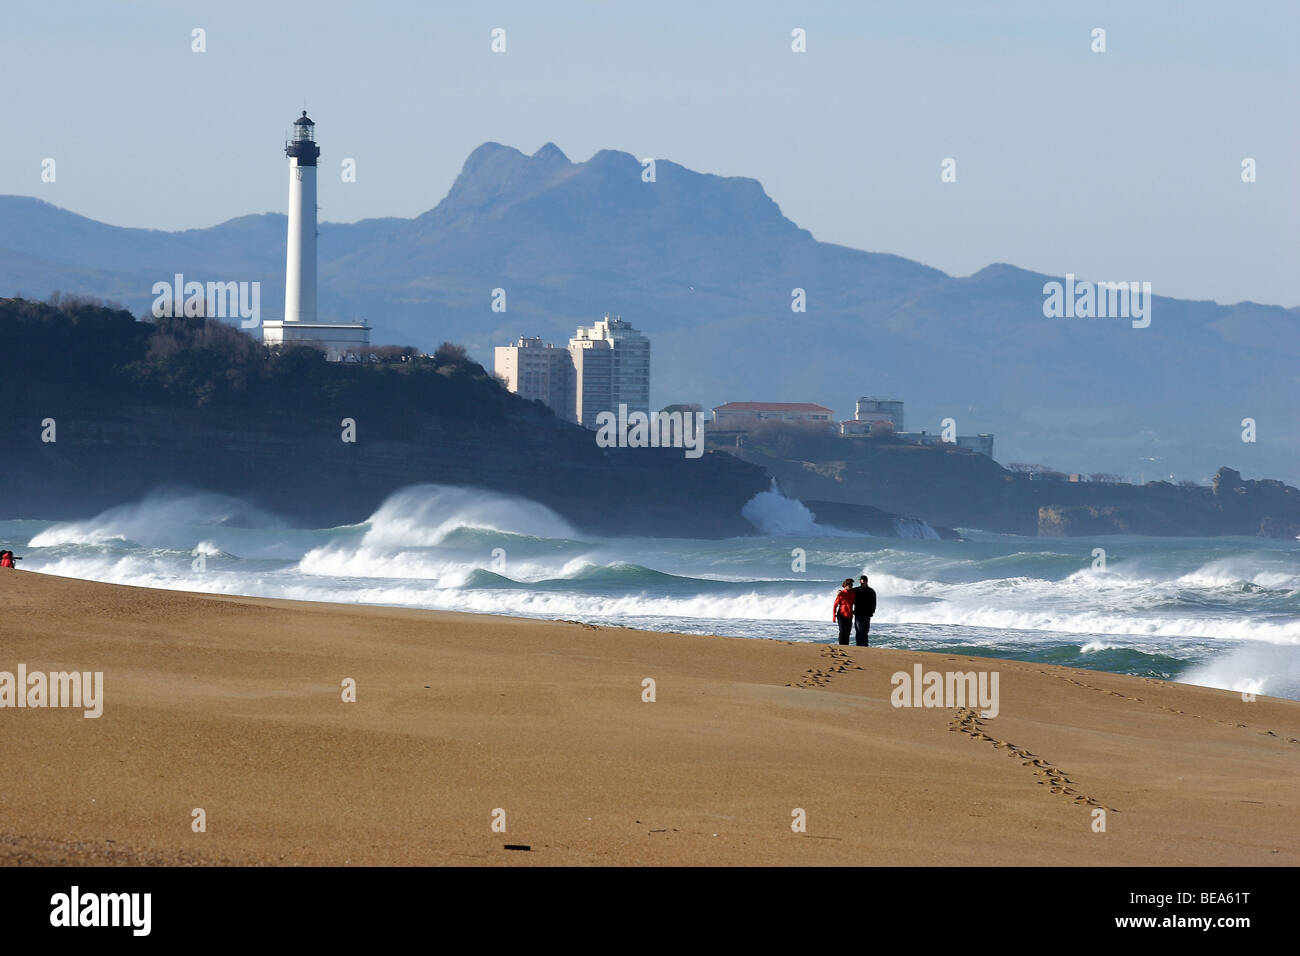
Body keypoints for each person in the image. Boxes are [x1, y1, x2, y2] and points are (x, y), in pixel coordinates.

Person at [853, 574, 877, 647]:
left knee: (865, 631)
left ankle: (865, 646)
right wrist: (840, 591)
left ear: (867, 582)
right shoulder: (856, 590)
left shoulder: (871, 591)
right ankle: (859, 645)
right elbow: (847, 592)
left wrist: (872, 611)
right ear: (860, 582)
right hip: (858, 613)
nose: (863, 583)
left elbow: (874, 602)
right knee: (859, 630)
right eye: (862, 582)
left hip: (867, 614)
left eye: (864, 582)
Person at [832, 578, 855, 646]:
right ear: (845, 585)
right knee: (842, 631)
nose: (851, 586)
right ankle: (841, 646)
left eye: (851, 584)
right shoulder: (841, 593)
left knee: (847, 632)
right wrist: (834, 616)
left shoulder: (853, 593)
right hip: (841, 615)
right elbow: (835, 605)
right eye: (849, 584)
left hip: (849, 615)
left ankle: (846, 646)